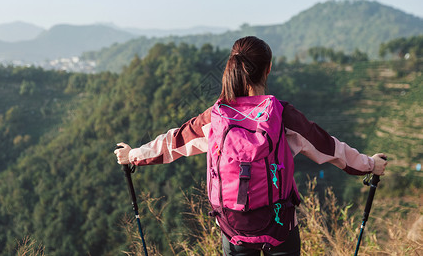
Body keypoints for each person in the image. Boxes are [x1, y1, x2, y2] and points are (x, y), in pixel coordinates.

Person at [114, 36, 388, 255]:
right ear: (268, 68)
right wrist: (371, 164)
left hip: (233, 228)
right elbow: (330, 149)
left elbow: (174, 143)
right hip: (280, 227)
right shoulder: (282, 115)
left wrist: (132, 156)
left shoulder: (216, 117)